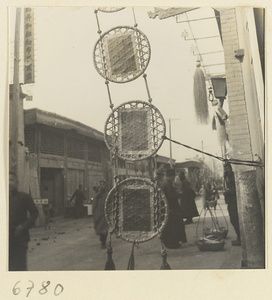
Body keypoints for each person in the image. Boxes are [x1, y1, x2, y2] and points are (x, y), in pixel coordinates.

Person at [9, 172, 38, 271]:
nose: (9, 183)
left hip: (20, 239)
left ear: (17, 182)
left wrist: (23, 226)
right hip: (5, 240)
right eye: (6, 180)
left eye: (11, 180)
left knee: (20, 267)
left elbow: (34, 213)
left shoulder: (24, 197)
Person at [161, 169, 187, 249]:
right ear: (171, 176)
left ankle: (173, 242)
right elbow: (171, 196)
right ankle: (172, 243)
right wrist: (179, 195)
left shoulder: (166, 183)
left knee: (172, 226)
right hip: (171, 209)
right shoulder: (167, 184)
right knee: (173, 227)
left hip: (168, 208)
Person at [223, 162, 241, 246]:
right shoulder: (227, 177)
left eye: (227, 168)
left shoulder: (233, 177)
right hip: (230, 202)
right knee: (233, 220)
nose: (226, 170)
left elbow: (236, 189)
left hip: (234, 201)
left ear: (231, 168)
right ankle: (239, 237)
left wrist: (227, 192)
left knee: (235, 220)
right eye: (225, 169)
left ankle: (240, 238)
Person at [93, 180, 109, 249]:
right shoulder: (97, 195)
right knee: (99, 228)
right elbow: (94, 204)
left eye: (103, 184)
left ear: (105, 186)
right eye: (101, 184)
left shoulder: (108, 194)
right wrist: (93, 212)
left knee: (105, 229)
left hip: (105, 214)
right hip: (98, 214)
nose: (102, 186)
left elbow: (111, 203)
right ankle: (102, 238)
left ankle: (103, 243)